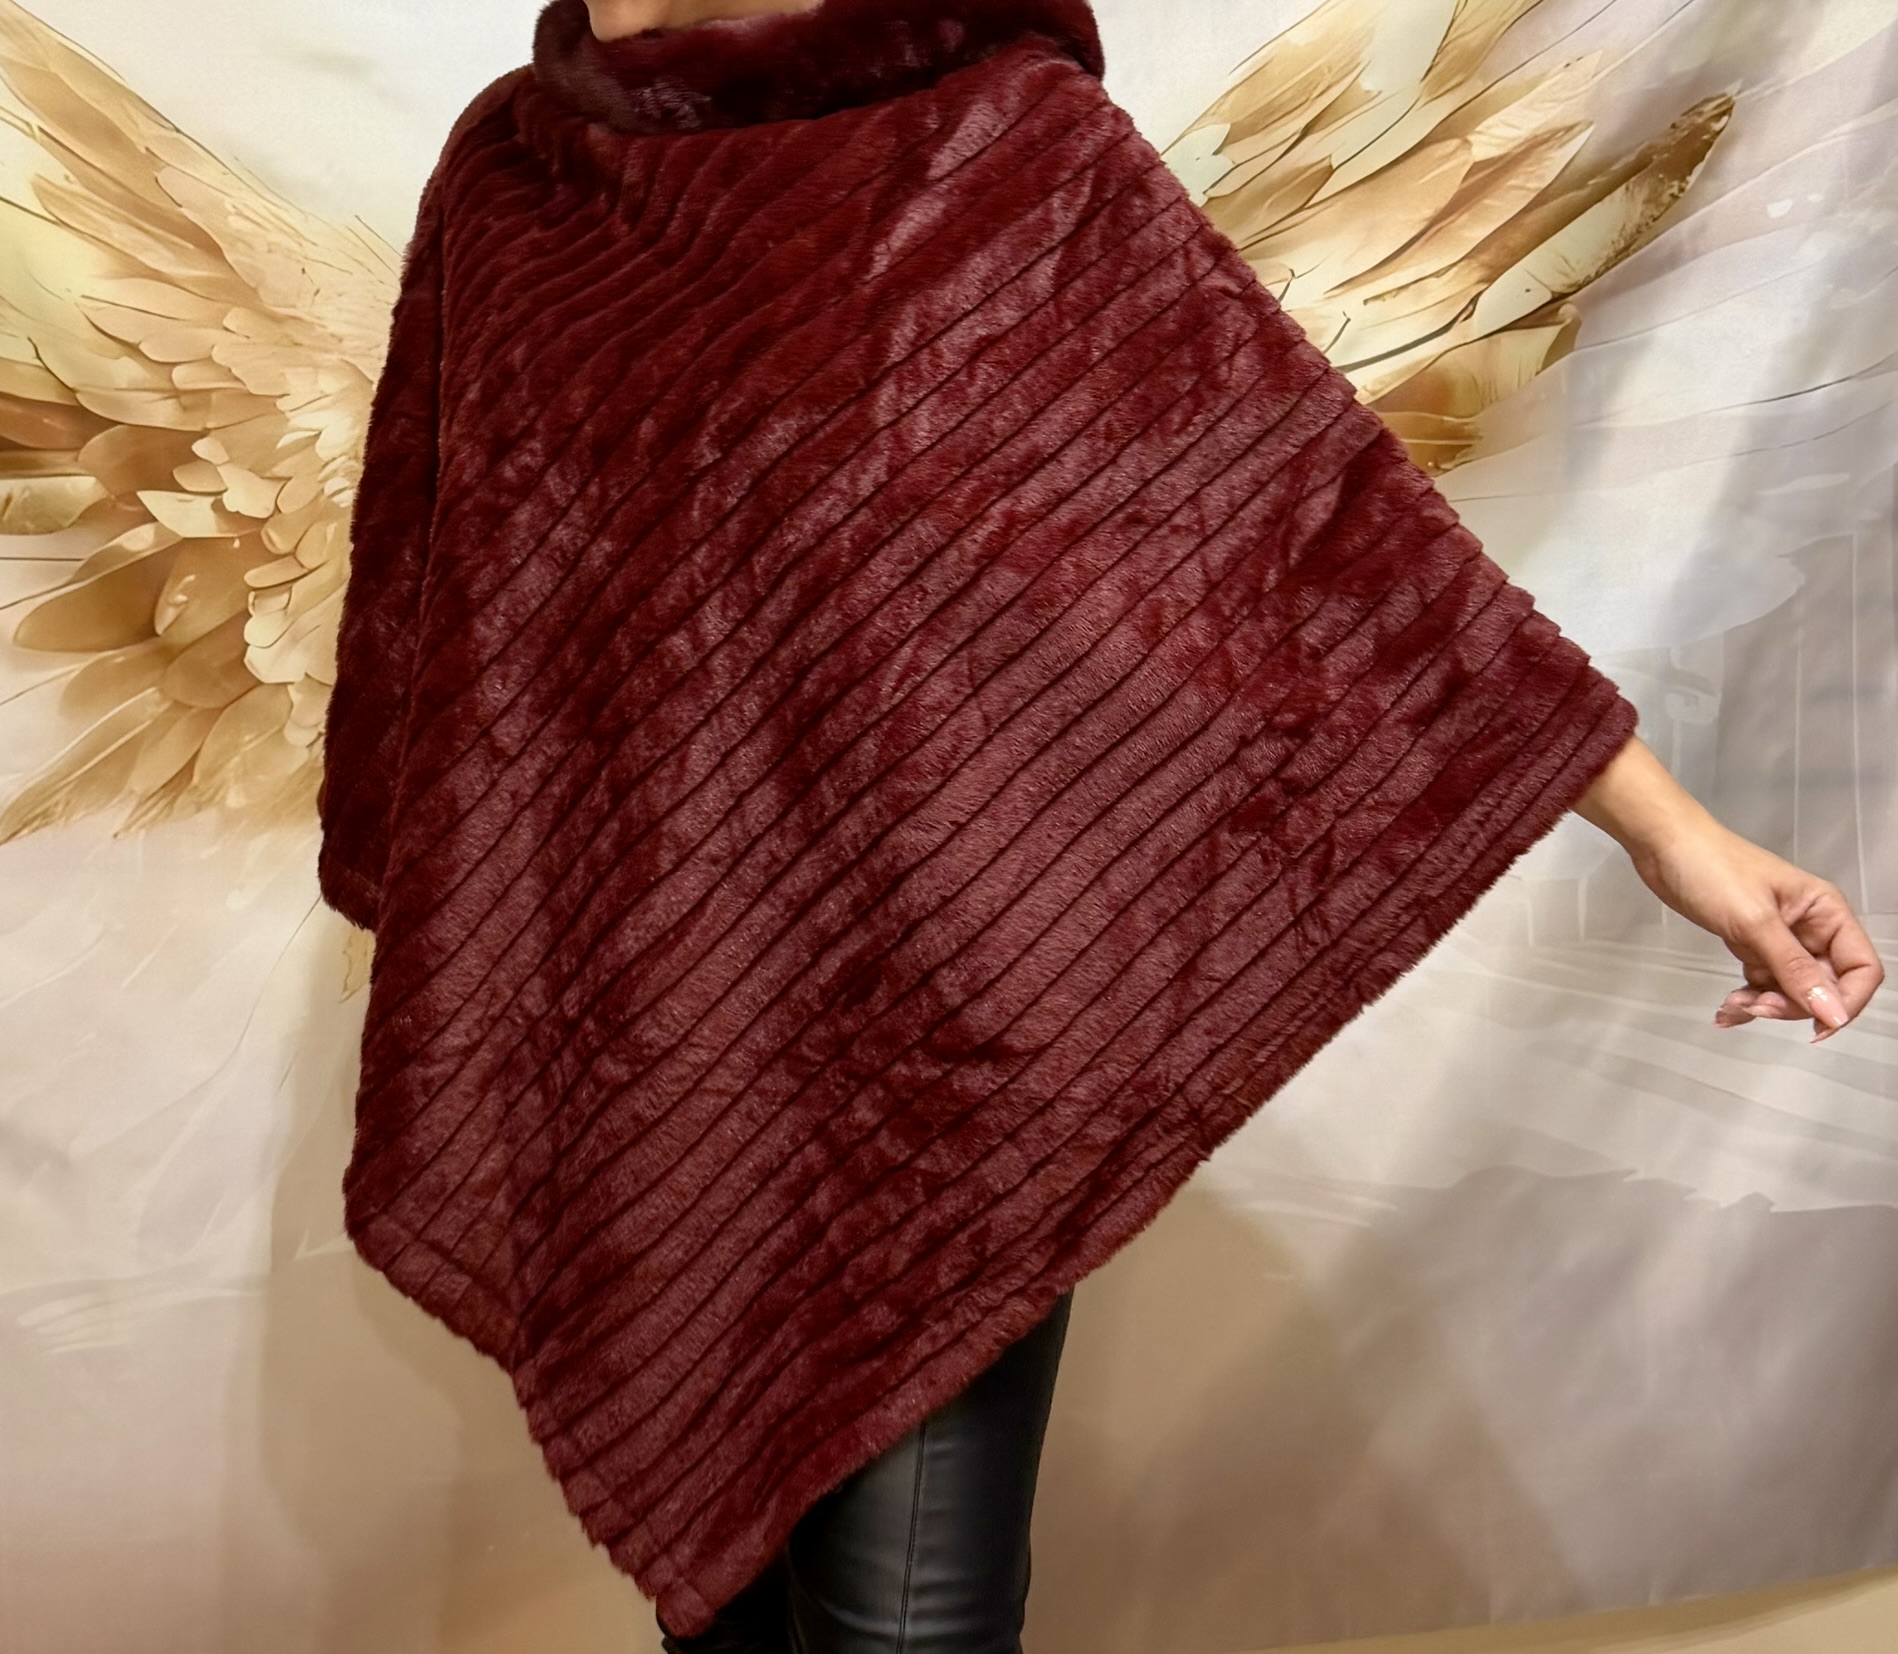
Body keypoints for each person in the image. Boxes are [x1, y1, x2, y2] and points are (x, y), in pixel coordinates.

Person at [557, 3, 1888, 1652]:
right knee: (721, 1602)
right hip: (662, 1009)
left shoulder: (988, 137)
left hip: (946, 1021)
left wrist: (1667, 830)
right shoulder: (521, 181)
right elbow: (473, 627)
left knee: (900, 1625)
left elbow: (1306, 516)